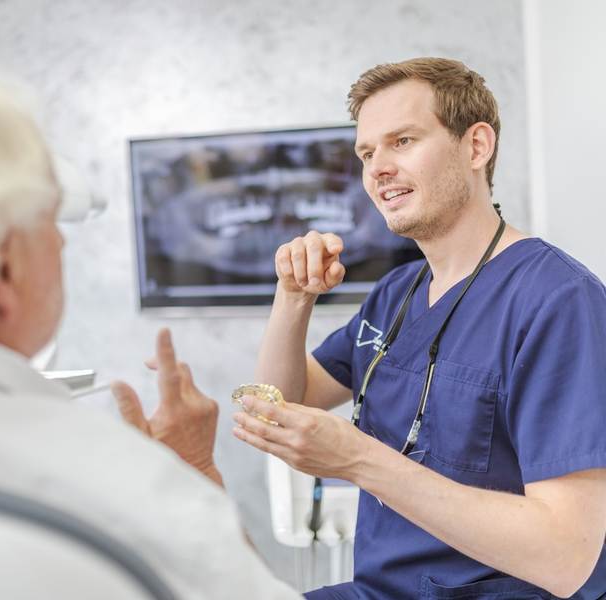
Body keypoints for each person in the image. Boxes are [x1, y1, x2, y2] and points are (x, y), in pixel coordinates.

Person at [0, 58, 303, 600]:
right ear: (3, 266)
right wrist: (195, 470)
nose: (64, 243)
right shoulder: (128, 485)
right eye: (50, 223)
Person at [232, 57, 606, 599]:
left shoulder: (558, 301)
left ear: (477, 147)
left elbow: (567, 555)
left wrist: (359, 460)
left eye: (402, 141)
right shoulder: (396, 292)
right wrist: (292, 297)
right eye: (366, 152)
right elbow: (282, 405)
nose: (377, 168)